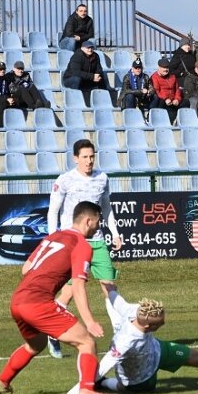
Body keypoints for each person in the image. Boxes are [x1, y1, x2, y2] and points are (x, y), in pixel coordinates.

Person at [0, 201, 117, 394]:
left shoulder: (54, 236)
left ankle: (1, 382)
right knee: (86, 342)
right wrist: (89, 321)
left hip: (18, 301)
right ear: (88, 221)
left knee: (35, 344)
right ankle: (86, 391)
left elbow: (25, 269)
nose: (99, 227)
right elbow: (78, 286)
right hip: (38, 304)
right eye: (98, 222)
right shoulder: (82, 245)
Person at [61, 289, 198, 394]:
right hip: (141, 378)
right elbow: (99, 368)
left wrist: (104, 275)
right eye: (162, 321)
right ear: (151, 327)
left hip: (158, 350)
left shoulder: (135, 310)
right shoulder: (125, 343)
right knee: (123, 385)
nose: (165, 320)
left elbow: (113, 294)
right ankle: (106, 385)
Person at [45, 139, 123, 359]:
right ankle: (53, 331)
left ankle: (118, 332)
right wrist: (54, 239)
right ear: (75, 158)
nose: (89, 161)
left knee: (108, 283)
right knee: (70, 290)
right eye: (85, 157)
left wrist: (115, 233)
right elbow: (53, 211)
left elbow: (106, 209)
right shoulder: (65, 180)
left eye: (92, 156)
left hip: (98, 241)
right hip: (74, 241)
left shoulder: (102, 178)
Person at [62, 40, 107, 107]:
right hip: (70, 79)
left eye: (91, 48)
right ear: (82, 48)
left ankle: (103, 100)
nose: (90, 49)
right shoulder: (77, 56)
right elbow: (76, 72)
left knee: (101, 77)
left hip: (86, 79)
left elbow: (99, 68)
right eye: (88, 48)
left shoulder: (96, 56)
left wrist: (97, 75)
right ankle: (76, 102)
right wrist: (92, 77)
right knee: (77, 79)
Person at [149, 57, 184, 123]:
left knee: (186, 102)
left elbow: (177, 89)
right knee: (160, 100)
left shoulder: (172, 76)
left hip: (173, 100)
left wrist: (177, 99)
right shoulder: (154, 77)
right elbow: (157, 91)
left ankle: (181, 121)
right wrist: (165, 99)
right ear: (159, 68)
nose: (166, 69)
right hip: (163, 100)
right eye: (164, 68)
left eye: (167, 68)